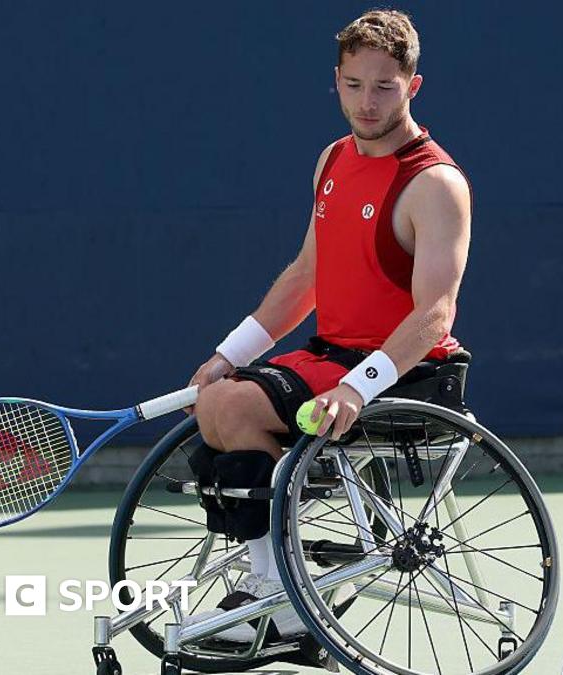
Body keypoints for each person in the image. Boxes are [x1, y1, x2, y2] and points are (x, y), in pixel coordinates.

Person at [182, 9, 471, 648]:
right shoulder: (332, 161)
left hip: (406, 372)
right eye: (353, 85)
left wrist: (357, 389)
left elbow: (434, 314)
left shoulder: (435, 184)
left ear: (413, 87)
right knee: (218, 402)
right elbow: (307, 275)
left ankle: (281, 599)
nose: (367, 103)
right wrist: (229, 353)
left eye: (384, 87)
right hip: (328, 356)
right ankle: (279, 594)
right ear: (335, 82)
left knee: (230, 412)